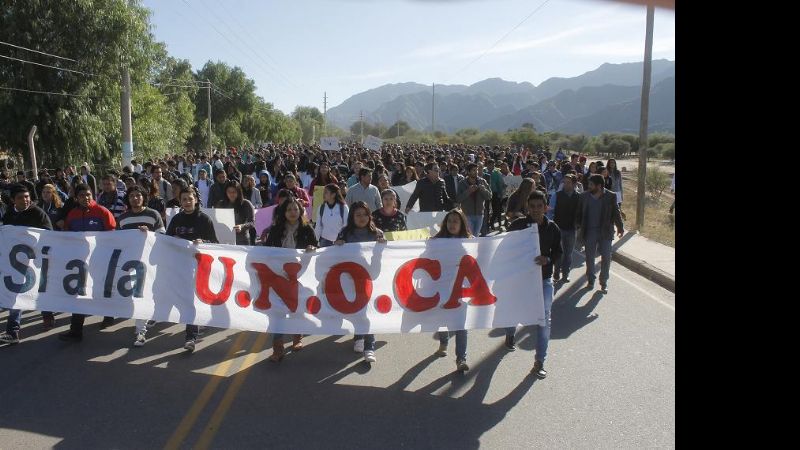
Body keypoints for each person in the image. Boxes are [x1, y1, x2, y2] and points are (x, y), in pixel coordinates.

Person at [505, 190, 562, 379]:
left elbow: (558, 253)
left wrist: (548, 260)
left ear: (546, 207)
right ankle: (510, 332)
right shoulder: (517, 226)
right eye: (532, 207)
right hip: (520, 280)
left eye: (540, 206)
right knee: (513, 312)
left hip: (543, 281)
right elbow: (502, 247)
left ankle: (540, 361)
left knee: (544, 319)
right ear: (527, 208)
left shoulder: (553, 228)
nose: (536, 210)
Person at [58, 184, 117, 342]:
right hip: (80, 261)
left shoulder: (102, 211)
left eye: (88, 194)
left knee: (102, 289)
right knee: (80, 293)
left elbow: (112, 235)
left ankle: (109, 315)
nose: (86, 198)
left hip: (100, 259)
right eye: (82, 195)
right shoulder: (72, 214)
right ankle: (76, 330)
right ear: (76, 198)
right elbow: (67, 237)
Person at [263, 198, 318, 362]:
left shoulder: (307, 229)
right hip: (279, 275)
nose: (292, 213)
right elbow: (266, 249)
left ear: (301, 211)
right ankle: (277, 348)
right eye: (289, 210)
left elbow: (316, 246)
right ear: (283, 213)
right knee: (277, 311)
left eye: (295, 209)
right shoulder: (276, 229)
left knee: (297, 308)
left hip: (299, 275)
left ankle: (297, 337)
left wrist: (312, 248)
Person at [165, 187, 219, 351]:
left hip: (198, 267)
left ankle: (191, 336)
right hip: (180, 267)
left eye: (190, 199)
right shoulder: (176, 220)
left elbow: (216, 243)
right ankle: (196, 325)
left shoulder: (204, 219)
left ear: (196, 200)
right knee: (183, 301)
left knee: (191, 301)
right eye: (184, 200)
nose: (187, 202)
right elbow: (165, 241)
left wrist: (204, 242)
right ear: (180, 202)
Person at [0, 184, 54, 344]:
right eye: (20, 198)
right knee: (17, 293)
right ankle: (13, 331)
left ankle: (47, 315)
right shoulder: (9, 215)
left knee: (41, 289)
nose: (25, 200)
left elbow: (49, 233)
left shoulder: (38, 213)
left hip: (37, 259)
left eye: (27, 197)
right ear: (13, 200)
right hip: (17, 262)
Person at [335, 201, 387, 363]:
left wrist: (382, 244)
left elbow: (382, 254)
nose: (362, 218)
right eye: (358, 215)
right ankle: (359, 336)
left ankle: (369, 347)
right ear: (352, 217)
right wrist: (338, 245)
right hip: (350, 279)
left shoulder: (376, 233)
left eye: (365, 214)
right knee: (357, 310)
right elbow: (335, 253)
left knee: (367, 311)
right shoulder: (345, 233)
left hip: (368, 278)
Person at [117, 186, 166, 347]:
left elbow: (163, 236)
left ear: (144, 197)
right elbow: (118, 240)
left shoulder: (153, 214)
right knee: (137, 295)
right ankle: (143, 323)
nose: (135, 198)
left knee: (144, 294)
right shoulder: (123, 218)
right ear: (128, 199)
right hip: (131, 262)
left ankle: (140, 330)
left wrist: (150, 234)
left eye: (138, 195)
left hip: (150, 262)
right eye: (132, 196)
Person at [431, 208, 473, 372]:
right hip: (442, 287)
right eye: (449, 221)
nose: (452, 224)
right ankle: (444, 341)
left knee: (461, 325)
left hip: (461, 290)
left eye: (456, 220)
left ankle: (461, 358)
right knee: (442, 319)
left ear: (462, 223)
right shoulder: (438, 240)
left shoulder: (470, 241)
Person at [577, 174, 625, 292]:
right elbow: (579, 213)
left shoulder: (610, 196)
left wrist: (620, 227)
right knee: (589, 257)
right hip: (590, 231)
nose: (588, 187)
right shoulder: (584, 196)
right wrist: (577, 226)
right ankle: (591, 280)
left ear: (599, 186)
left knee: (607, 257)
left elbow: (616, 212)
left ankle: (603, 281)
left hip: (606, 231)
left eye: (591, 185)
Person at [551, 174, 580, 282]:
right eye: (564, 182)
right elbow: (550, 211)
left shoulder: (578, 197)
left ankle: (565, 273)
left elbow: (581, 213)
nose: (565, 184)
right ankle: (556, 272)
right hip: (559, 229)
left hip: (572, 230)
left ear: (574, 184)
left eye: (568, 182)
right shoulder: (557, 195)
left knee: (568, 253)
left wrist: (579, 224)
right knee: (560, 253)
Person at [456, 163, 491, 237]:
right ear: (468, 172)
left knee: (476, 236)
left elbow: (489, 196)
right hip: (467, 215)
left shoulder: (483, 181)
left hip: (479, 214)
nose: (476, 172)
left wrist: (483, 190)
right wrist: (468, 191)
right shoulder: (462, 183)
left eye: (477, 170)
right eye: (474, 170)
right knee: (470, 236)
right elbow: (458, 199)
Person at [216, 180, 256, 245]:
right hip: (225, 240)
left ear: (239, 192)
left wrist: (242, 226)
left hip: (242, 241)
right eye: (229, 192)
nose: (231, 194)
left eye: (234, 192)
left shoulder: (246, 204)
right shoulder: (220, 204)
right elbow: (216, 221)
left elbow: (252, 222)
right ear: (225, 192)